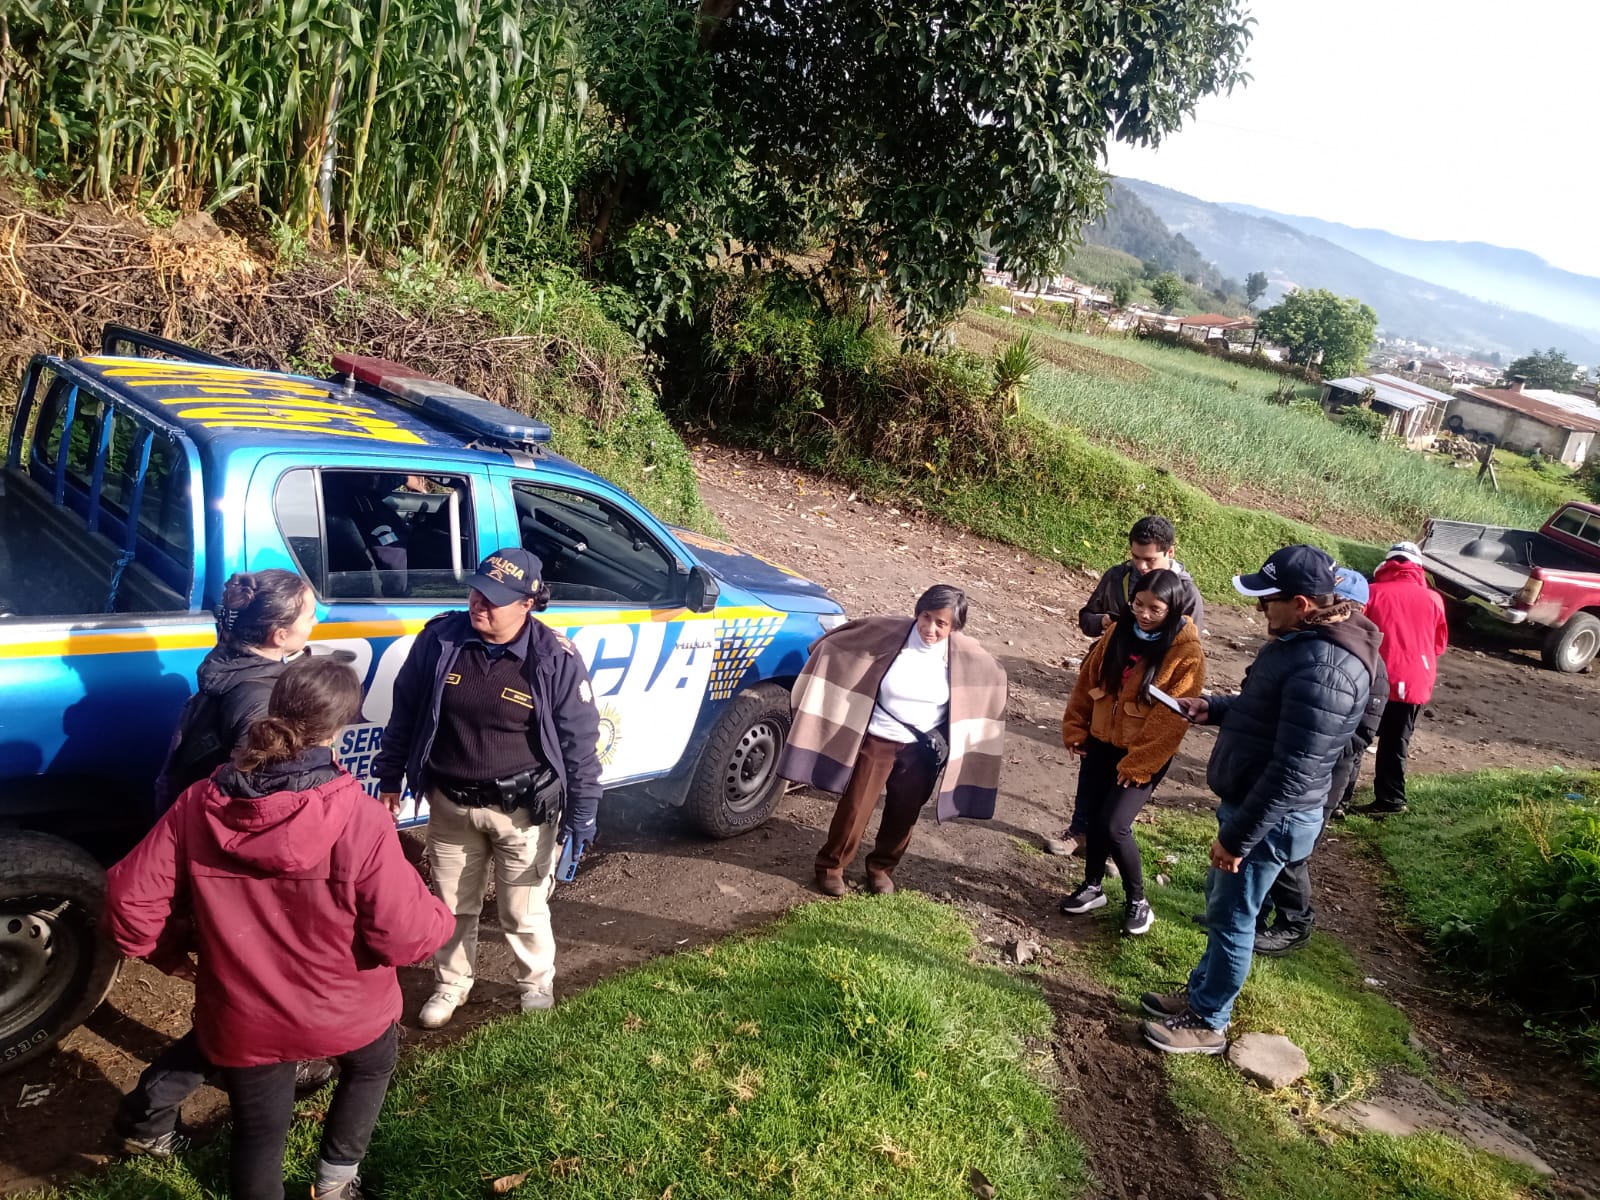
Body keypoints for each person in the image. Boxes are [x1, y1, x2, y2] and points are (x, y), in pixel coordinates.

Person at [104, 657, 454, 1200]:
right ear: (340, 730)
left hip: (247, 1017)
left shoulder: (199, 803)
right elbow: (403, 936)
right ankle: (336, 1185)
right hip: (347, 1010)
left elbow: (129, 901)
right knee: (373, 1063)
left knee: (259, 1134)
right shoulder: (357, 817)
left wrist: (166, 951)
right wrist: (441, 914)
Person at [118, 569, 329, 1159]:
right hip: (235, 871)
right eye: (309, 616)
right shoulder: (259, 698)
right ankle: (149, 1116)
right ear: (281, 631)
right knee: (246, 998)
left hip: (208, 859)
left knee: (259, 988)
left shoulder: (233, 663)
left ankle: (296, 1058)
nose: (317, 622)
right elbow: (255, 798)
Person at [1139, 546, 1381, 1055]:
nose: (1259, 610)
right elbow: (1267, 711)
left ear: (1300, 602)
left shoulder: (1328, 668)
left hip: (1270, 818)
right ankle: (1200, 995)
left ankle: (1208, 1022)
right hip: (1258, 806)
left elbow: (1295, 770)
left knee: (1232, 919)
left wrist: (1238, 837)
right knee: (1223, 908)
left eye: (1266, 600)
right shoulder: (1304, 641)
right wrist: (1214, 707)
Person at [373, 548, 602, 1029]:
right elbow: (406, 714)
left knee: (523, 909)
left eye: (494, 598)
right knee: (452, 905)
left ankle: (535, 982)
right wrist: (389, 776)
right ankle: (451, 983)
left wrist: (584, 811)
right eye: (477, 590)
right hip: (450, 803)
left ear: (528, 604)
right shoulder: (440, 640)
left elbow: (579, 740)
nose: (479, 603)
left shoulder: (551, 658)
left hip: (522, 812)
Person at [779, 584, 1008, 896]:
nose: (930, 628)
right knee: (855, 807)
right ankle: (831, 866)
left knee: (904, 812)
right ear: (917, 613)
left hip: (921, 749)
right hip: (878, 740)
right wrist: (821, 658)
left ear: (954, 627)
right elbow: (839, 639)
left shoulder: (967, 656)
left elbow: (993, 679)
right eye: (926, 617)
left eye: (941, 623)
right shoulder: (886, 632)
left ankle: (881, 868)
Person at [1057, 569, 1206, 936]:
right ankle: (1092, 887)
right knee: (1091, 818)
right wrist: (1076, 728)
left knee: (1115, 825)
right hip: (1101, 741)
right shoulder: (1116, 631)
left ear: (1173, 610)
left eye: (1155, 609)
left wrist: (1139, 764)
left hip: (1143, 755)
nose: (1143, 614)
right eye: (1138, 605)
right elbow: (1087, 682)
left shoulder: (1186, 653)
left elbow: (1172, 718)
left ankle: (1138, 901)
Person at [1050, 515, 1204, 857]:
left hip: (1145, 699)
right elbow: (1087, 618)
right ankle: (1079, 831)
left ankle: (1112, 842)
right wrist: (1104, 623)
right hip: (1107, 687)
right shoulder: (1117, 577)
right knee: (1092, 767)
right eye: (1136, 557)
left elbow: (1185, 649)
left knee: (1126, 779)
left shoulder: (1188, 594)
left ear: (1169, 552)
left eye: (1150, 559)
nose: (1142, 566)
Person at [1254, 567, 1388, 955]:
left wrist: (1317, 751)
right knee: (1264, 845)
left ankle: (1295, 922)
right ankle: (1255, 914)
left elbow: (1363, 732)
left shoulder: (1367, 659)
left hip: (1326, 774)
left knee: (1293, 853)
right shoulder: (1304, 644)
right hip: (1291, 763)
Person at [1349, 541, 1448, 818]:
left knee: (1357, 738)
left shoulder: (1371, 593)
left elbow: (1358, 636)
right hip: (1415, 681)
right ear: (1418, 568)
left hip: (1373, 678)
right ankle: (1391, 800)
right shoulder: (1434, 600)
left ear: (1388, 563)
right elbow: (1439, 646)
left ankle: (1339, 801)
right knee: (1396, 741)